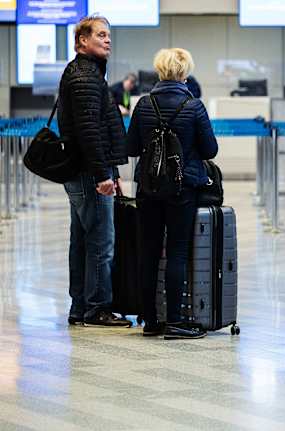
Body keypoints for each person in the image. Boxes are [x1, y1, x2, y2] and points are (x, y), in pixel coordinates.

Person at [127, 48, 218, 340]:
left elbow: (130, 148)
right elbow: (210, 150)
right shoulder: (194, 106)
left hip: (149, 188)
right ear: (184, 72)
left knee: (149, 252)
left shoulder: (144, 104)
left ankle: (151, 321)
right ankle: (176, 321)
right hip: (183, 189)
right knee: (177, 251)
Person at [58, 15, 131, 327]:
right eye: (101, 35)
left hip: (83, 170)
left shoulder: (85, 72)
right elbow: (89, 131)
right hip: (89, 173)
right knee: (101, 242)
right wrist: (103, 175)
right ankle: (97, 308)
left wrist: (109, 170)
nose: (107, 40)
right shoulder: (86, 77)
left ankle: (80, 307)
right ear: (82, 41)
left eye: (109, 35)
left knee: (83, 241)